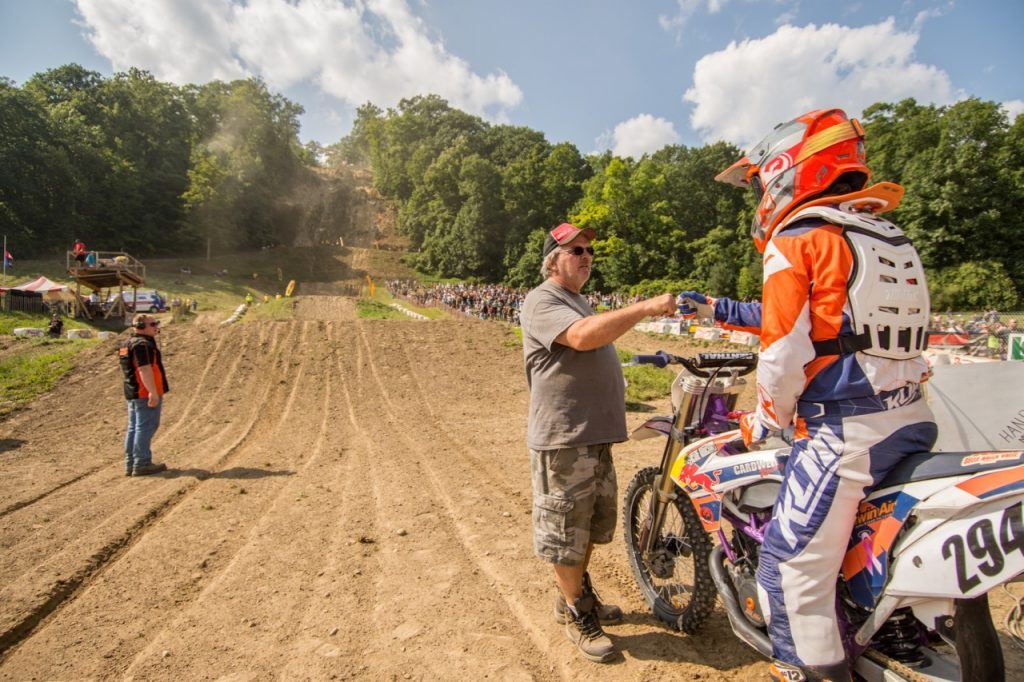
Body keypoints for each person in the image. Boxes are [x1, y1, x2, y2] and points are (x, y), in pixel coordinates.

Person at [678, 109, 935, 681]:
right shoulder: (877, 231)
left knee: (786, 566)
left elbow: (782, 353)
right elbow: (827, 322)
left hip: (847, 431)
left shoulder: (797, 236)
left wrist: (768, 420)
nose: (756, 199)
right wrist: (718, 309)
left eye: (755, 185)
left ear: (780, 171)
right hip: (912, 418)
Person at [520, 222, 677, 663]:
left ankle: (573, 595)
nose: (587, 256)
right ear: (553, 259)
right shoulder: (542, 299)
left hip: (593, 436)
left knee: (586, 528)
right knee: (565, 530)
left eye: (589, 250)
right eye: (576, 250)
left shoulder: (577, 299)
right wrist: (644, 307)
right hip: (564, 438)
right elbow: (582, 337)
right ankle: (576, 612)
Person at [118, 313, 169, 477]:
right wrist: (152, 392)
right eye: (152, 324)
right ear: (141, 327)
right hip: (143, 392)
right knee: (145, 427)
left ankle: (131, 463)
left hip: (133, 392)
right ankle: (142, 463)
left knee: (134, 428)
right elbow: (144, 369)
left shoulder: (127, 344)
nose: (156, 327)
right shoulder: (142, 345)